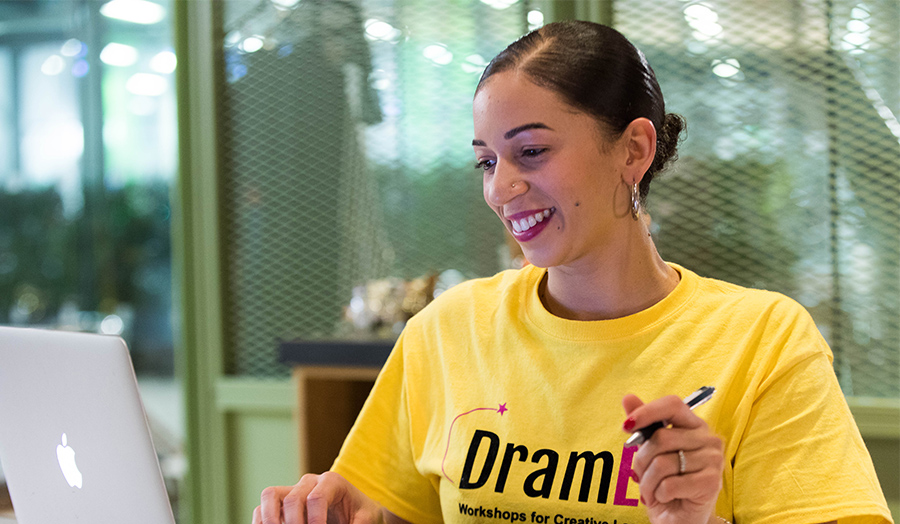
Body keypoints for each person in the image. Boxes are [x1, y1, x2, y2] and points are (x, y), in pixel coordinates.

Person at [253, 20, 893, 524]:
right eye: (486, 162)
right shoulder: (450, 329)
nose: (501, 188)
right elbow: (385, 511)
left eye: (530, 151)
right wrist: (321, 511)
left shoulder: (762, 340)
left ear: (634, 149)